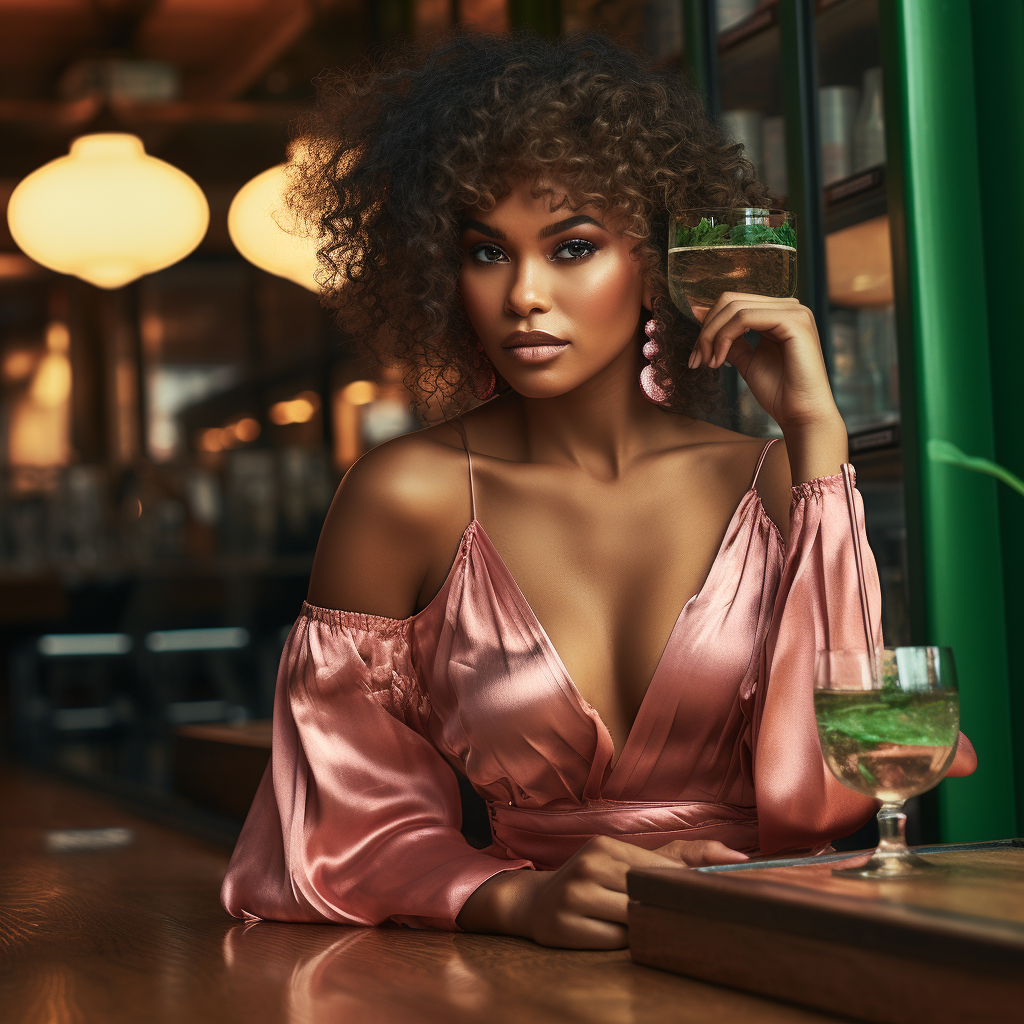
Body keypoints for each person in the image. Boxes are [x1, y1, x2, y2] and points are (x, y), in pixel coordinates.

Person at [221, 32, 976, 949]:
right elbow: (326, 830)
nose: (526, 296)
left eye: (572, 247)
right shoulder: (406, 495)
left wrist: (818, 440)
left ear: (656, 260)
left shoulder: (771, 479)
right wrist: (513, 898)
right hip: (530, 977)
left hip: (775, 946)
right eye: (488, 253)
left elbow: (840, 781)